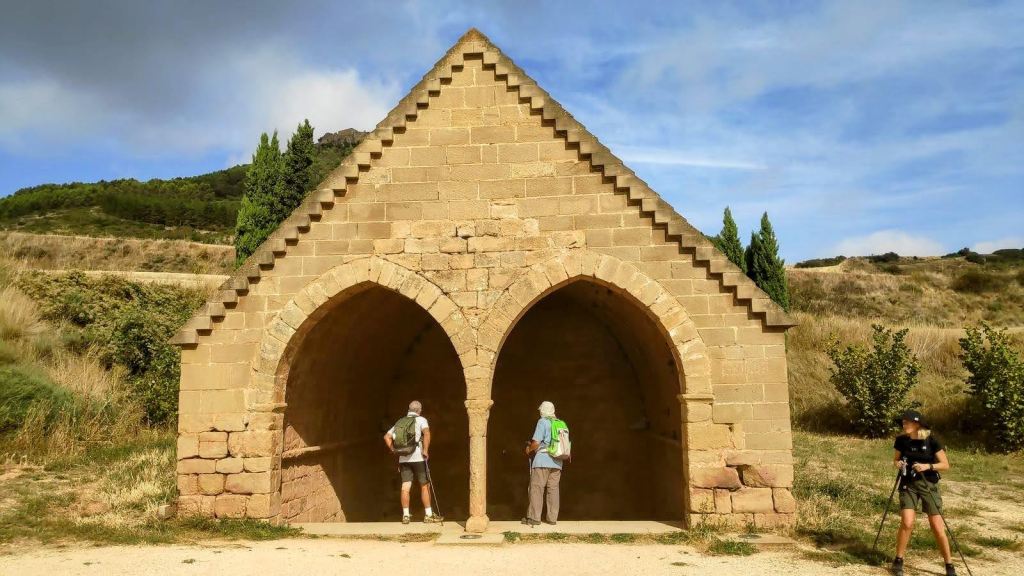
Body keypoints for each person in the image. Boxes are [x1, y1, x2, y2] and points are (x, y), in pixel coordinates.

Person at [890, 409, 955, 576]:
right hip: (908, 484)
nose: (904, 424)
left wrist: (928, 466)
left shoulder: (931, 441)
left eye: (907, 422)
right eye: (903, 422)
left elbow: (945, 465)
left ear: (917, 424)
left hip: (928, 484)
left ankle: (949, 564)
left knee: (937, 526)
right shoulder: (901, 441)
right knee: (907, 522)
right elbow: (896, 460)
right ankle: (898, 560)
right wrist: (898, 464)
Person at [383, 400, 441, 524]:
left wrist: (394, 450)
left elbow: (387, 437)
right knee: (424, 485)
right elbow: (427, 434)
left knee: (405, 486)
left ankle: (405, 515)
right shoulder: (421, 420)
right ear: (419, 410)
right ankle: (428, 515)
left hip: (403, 458)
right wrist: (425, 450)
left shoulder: (400, 422)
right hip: (418, 457)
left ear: (409, 410)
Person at [522, 400, 561, 527]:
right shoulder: (560, 423)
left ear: (543, 410)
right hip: (557, 462)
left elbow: (537, 443)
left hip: (542, 460)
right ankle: (552, 518)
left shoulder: (542, 422)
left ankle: (534, 518)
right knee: (553, 490)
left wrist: (529, 449)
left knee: (537, 488)